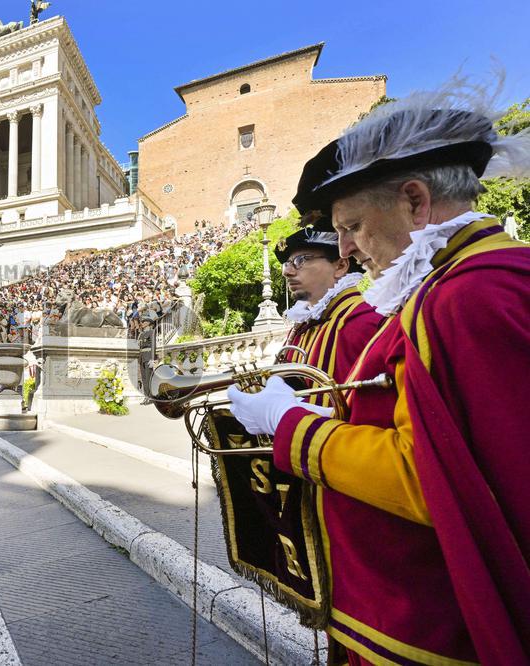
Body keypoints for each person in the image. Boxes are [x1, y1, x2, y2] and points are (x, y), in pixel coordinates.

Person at [227, 78, 530, 665]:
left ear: (415, 201)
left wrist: (294, 426)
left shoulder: (468, 296)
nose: (346, 250)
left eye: (352, 226)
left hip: (430, 631)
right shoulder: (450, 288)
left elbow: (429, 481)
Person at [274, 228, 383, 388]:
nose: (287, 272)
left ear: (340, 266)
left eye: (300, 260)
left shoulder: (367, 323)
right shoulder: (301, 328)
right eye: (287, 264)